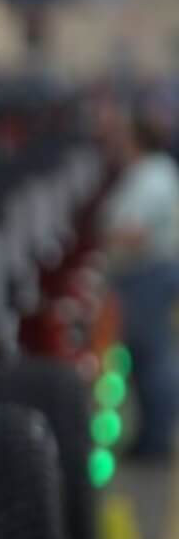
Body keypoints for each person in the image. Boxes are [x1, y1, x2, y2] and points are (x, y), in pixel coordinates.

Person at [99, 104, 179, 458]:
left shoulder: (153, 177)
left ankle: (157, 437)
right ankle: (152, 433)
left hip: (147, 274)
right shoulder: (146, 173)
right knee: (146, 356)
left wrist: (102, 242)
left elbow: (135, 232)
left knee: (152, 356)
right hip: (140, 274)